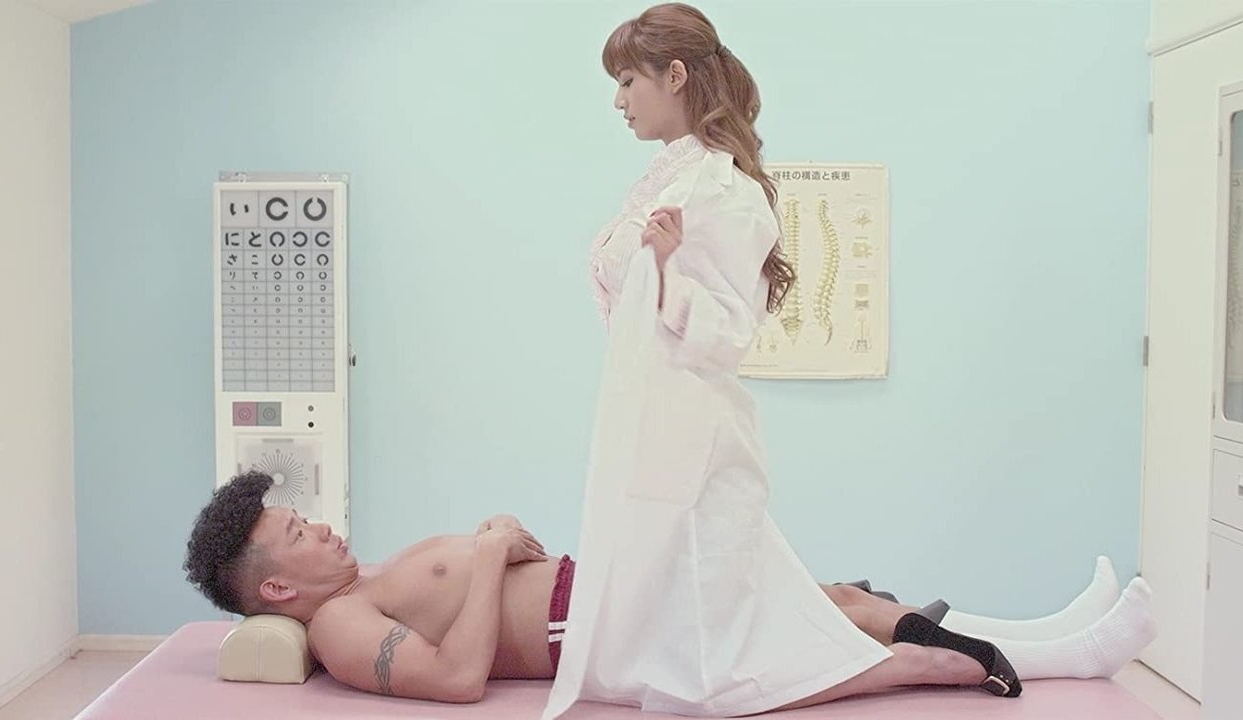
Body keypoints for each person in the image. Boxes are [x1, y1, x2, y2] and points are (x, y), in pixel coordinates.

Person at [540, 4, 1157, 718]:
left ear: (674, 76)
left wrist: (665, 276)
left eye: (627, 81)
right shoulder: (670, 181)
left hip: (695, 441)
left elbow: (728, 335)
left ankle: (1058, 649)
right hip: (663, 434)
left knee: (760, 643)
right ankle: (1058, 645)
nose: (618, 101)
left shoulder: (721, 189)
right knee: (801, 614)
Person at [182, 472, 1155, 709]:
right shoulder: (344, 624)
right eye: (297, 534)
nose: (321, 526)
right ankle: (1060, 654)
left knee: (825, 594)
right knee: (827, 614)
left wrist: (501, 542)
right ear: (278, 585)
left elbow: (478, 597)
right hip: (601, 625)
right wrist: (487, 556)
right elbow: (456, 678)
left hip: (602, 590)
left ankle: (1046, 633)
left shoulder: (364, 583)